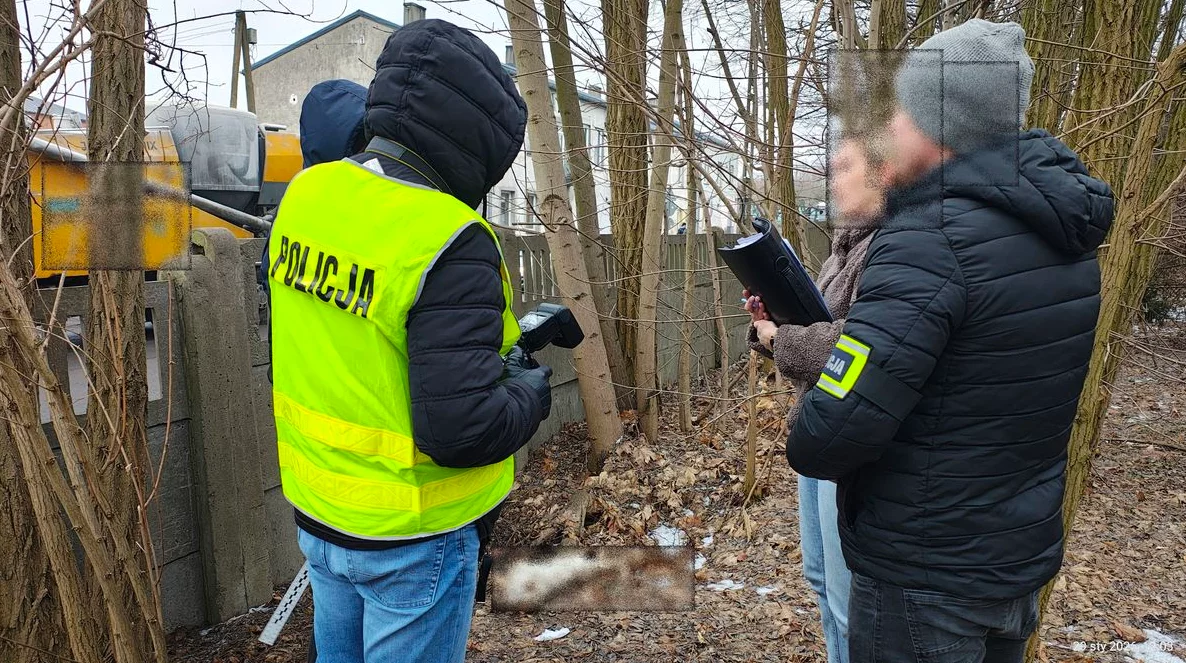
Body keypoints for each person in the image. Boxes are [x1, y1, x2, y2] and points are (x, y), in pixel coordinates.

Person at [786, 19, 1114, 663]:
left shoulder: (929, 240)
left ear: (941, 124)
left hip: (926, 580)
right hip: (1013, 563)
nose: (894, 128)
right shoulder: (1066, 238)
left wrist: (807, 415)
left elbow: (833, 429)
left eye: (905, 111)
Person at [264, 19, 552, 663]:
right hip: (414, 535)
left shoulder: (308, 194)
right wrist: (531, 393)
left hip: (321, 514)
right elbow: (463, 431)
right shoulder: (448, 235)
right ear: (481, 142)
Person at [744, 137, 888, 663]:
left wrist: (780, 341)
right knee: (821, 580)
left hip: (848, 441)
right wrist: (769, 322)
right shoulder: (844, 247)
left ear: (882, 174)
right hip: (815, 430)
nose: (833, 178)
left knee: (849, 598)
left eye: (844, 167)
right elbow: (814, 328)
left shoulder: (894, 247)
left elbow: (857, 344)